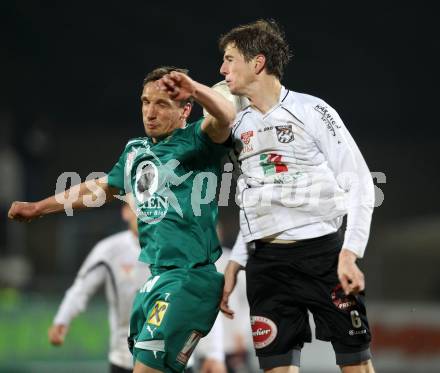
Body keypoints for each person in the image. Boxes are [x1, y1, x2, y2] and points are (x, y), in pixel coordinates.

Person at [8, 66, 236, 373]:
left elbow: (225, 116)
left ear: (185, 110)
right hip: (156, 280)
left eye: (162, 104)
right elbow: (100, 189)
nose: (150, 112)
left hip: (189, 279)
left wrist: (193, 87)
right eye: (145, 102)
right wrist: (38, 208)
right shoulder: (135, 151)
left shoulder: (197, 141)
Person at [217, 20, 376, 373]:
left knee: (356, 365)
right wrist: (236, 261)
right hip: (266, 263)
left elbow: (361, 183)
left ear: (256, 63)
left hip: (322, 256)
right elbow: (255, 200)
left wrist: (349, 253)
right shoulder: (238, 126)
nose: (222, 69)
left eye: (229, 59)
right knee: (276, 367)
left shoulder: (312, 111)